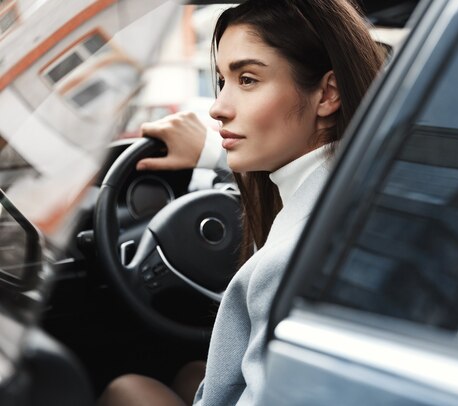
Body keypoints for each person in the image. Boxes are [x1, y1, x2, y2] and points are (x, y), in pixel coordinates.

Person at [97, 0, 384, 405]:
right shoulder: (375, 190)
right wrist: (214, 153)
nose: (217, 108)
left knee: (126, 389)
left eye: (247, 79)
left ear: (327, 94)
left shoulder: (284, 263)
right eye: (221, 80)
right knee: (192, 372)